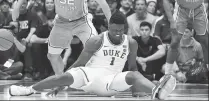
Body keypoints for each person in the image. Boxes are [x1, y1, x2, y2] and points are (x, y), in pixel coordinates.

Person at [9, 12, 176, 100]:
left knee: (134, 74)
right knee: (64, 76)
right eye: (114, 30)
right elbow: (79, 63)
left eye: (121, 30)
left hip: (111, 81)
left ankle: (157, 92)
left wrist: (136, 87)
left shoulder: (131, 42)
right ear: (108, 26)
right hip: (90, 76)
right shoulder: (96, 40)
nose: (118, 34)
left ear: (125, 28)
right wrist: (61, 84)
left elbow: (132, 69)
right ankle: (28, 90)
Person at [12, 0, 111, 75]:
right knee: (52, 55)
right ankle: (60, 79)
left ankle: (104, 76)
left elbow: (101, 1)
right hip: (62, 22)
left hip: (81, 21)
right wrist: (17, 6)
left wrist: (110, 21)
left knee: (95, 49)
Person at [163, 0, 208, 76]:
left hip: (198, 9)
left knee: (205, 40)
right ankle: (167, 74)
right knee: (175, 41)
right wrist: (171, 21)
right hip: (181, 10)